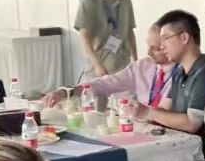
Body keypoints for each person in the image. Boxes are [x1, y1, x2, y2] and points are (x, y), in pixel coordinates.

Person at [128, 9, 205, 134]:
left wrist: (148, 112)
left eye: (165, 38)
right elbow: (164, 109)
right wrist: (139, 111)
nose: (162, 46)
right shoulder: (179, 72)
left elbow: (192, 123)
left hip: (199, 146)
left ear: (184, 38)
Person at [45, 23, 175, 109]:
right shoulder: (142, 67)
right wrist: (66, 91)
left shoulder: (181, 73)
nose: (148, 52)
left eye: (156, 49)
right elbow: (104, 83)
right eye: (148, 46)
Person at [75, 0, 138, 84]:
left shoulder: (125, 0)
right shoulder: (90, 2)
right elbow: (84, 37)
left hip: (122, 67)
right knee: (96, 98)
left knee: (126, 98)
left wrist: (135, 61)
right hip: (98, 70)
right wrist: (97, 65)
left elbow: (129, 33)